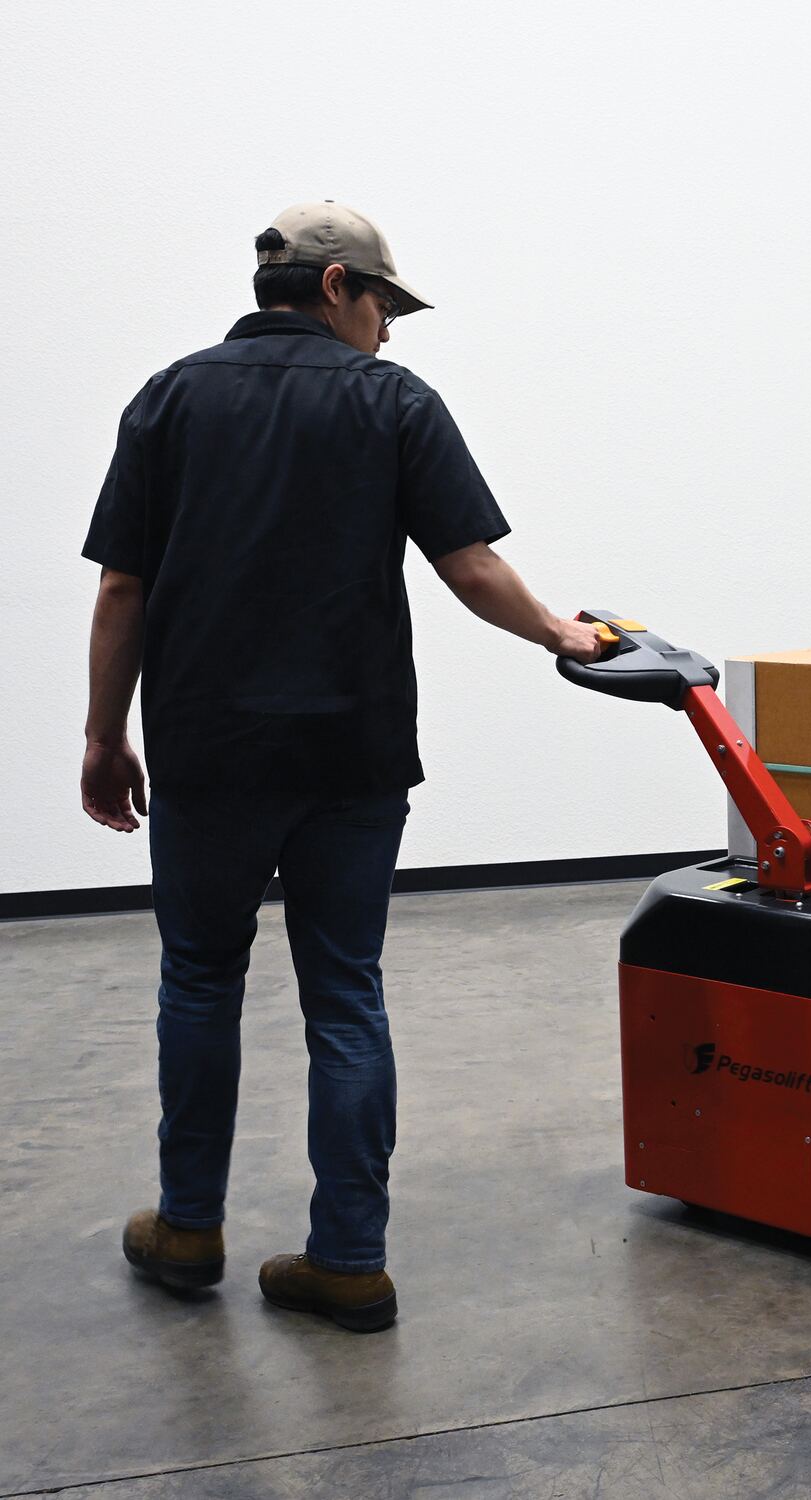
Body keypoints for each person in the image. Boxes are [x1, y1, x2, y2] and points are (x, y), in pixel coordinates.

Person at [81, 200, 603, 1332]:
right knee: (346, 995)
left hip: (211, 752)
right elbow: (471, 567)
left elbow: (123, 586)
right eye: (383, 305)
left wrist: (102, 736)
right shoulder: (393, 403)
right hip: (351, 755)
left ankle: (188, 1227)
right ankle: (351, 1260)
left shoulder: (170, 398)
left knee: (199, 979)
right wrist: (562, 633)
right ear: (334, 287)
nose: (389, 329)